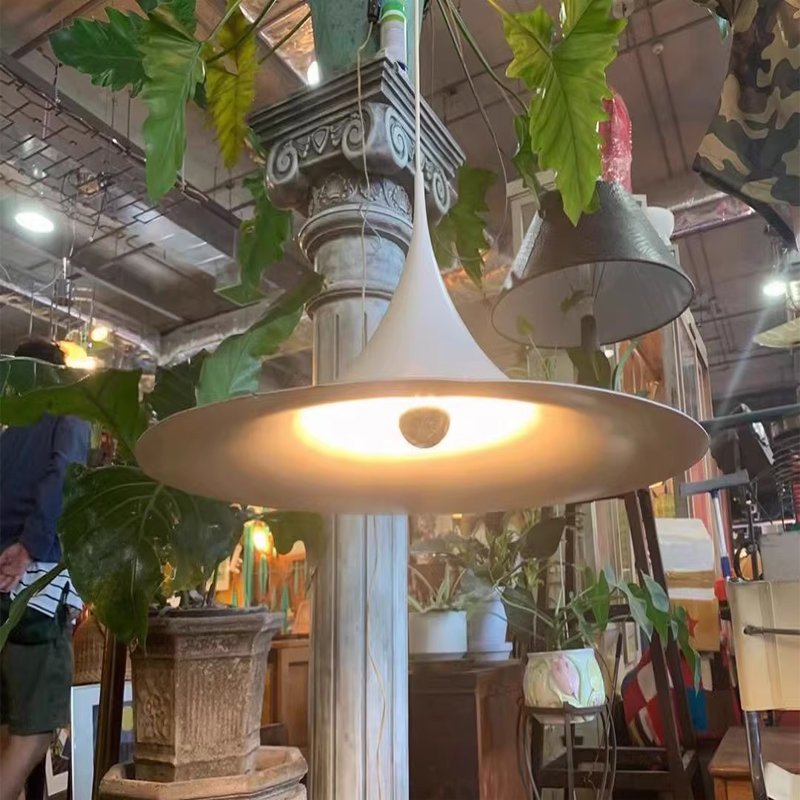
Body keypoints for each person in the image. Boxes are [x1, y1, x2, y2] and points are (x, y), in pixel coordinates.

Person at [0, 338, 90, 800]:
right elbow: (65, 477)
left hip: (3, 592)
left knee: (7, 727)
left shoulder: (9, 427)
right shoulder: (69, 410)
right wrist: (30, 544)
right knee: (34, 732)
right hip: (38, 589)